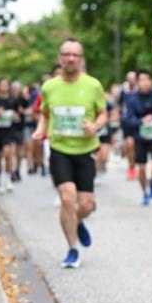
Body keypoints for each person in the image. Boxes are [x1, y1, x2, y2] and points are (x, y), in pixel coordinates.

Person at [32, 39, 107, 269]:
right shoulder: (49, 87)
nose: (71, 58)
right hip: (59, 148)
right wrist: (40, 129)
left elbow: (103, 113)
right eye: (66, 54)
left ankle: (77, 220)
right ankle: (73, 249)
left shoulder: (93, 85)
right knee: (67, 197)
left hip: (85, 150)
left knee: (85, 205)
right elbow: (45, 113)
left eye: (75, 54)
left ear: (81, 59)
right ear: (60, 58)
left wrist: (95, 126)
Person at [123, 70, 152, 205]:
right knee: (142, 168)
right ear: (137, 82)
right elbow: (127, 120)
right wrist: (141, 121)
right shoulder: (132, 99)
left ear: (151, 81)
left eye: (147, 79)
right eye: (141, 80)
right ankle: (145, 193)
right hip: (141, 137)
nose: (145, 82)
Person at [118, 71, 139, 180]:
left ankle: (138, 165)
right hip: (127, 122)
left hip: (139, 122)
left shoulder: (140, 90)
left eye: (133, 78)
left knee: (137, 145)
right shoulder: (124, 91)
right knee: (130, 144)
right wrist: (120, 116)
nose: (131, 80)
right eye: (129, 78)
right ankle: (131, 167)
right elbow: (120, 105)